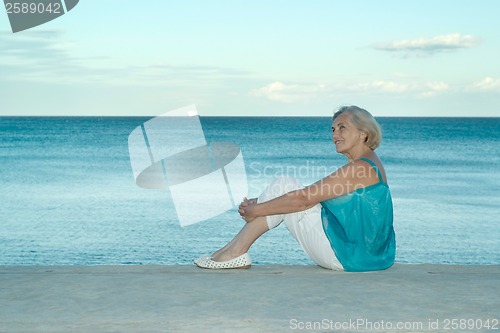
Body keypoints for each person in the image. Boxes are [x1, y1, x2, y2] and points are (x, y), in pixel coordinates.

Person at [194, 105, 396, 272]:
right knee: (286, 189)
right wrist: (262, 201)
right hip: (370, 256)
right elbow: (313, 194)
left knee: (286, 184)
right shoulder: (368, 164)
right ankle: (228, 252)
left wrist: (255, 210)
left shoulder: (360, 168)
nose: (335, 134)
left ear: (363, 133)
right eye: (333, 129)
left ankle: (234, 252)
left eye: (342, 127)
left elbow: (303, 200)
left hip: (350, 257)